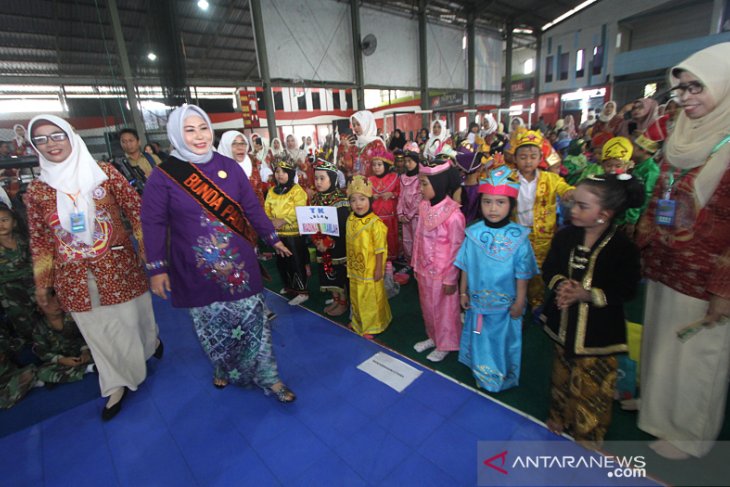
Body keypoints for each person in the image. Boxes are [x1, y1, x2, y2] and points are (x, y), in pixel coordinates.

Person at [141, 104, 295, 402]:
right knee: (213, 328)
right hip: (194, 269)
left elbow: (251, 207)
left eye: (203, 128)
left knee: (256, 324)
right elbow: (153, 222)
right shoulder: (163, 176)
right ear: (175, 134)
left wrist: (271, 237)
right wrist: (157, 268)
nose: (199, 136)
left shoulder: (230, 166)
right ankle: (222, 367)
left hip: (241, 267)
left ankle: (270, 378)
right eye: (189, 129)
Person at [25, 114, 161, 420]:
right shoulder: (37, 191)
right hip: (73, 276)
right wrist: (42, 282)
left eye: (56, 135)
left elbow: (136, 211)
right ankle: (116, 382)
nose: (51, 144)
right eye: (42, 139)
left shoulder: (104, 173)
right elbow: (40, 240)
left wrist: (147, 251)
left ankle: (151, 340)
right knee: (97, 331)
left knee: (132, 320)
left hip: (117, 266)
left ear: (71, 136)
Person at [635, 43, 730, 460]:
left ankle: (690, 433)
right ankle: (656, 410)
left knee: (697, 355)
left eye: (698, 87)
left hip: (706, 275)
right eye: (682, 89)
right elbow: (663, 192)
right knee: (660, 340)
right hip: (665, 261)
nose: (687, 97)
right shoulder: (682, 133)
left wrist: (724, 288)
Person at [542, 174, 644, 445]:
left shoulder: (622, 248)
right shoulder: (565, 237)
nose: (573, 210)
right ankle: (559, 414)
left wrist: (587, 294)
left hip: (599, 330)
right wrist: (562, 285)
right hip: (565, 321)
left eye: (582, 206)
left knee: (593, 385)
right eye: (574, 203)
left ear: (604, 214)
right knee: (562, 372)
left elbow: (627, 288)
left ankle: (589, 432)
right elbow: (549, 268)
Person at [457, 166, 538, 391]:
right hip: (477, 304)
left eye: (500, 202)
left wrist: (520, 301)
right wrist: (463, 291)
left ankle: (499, 373)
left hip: (505, 306)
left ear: (511, 205)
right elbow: (465, 265)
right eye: (487, 202)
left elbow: (522, 273)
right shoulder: (473, 233)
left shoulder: (519, 237)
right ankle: (480, 369)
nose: (493, 208)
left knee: (501, 340)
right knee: (479, 334)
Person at [411, 152, 465, 362]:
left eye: (424, 184)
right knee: (427, 305)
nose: (420, 188)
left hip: (443, 274)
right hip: (424, 269)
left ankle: (446, 342)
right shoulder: (424, 206)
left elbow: (456, 249)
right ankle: (433, 336)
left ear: (439, 183)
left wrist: (451, 278)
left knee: (444, 310)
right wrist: (415, 264)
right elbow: (417, 238)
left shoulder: (454, 215)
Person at [513, 130, 574, 311]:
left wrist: (571, 193)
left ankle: (536, 302)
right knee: (516, 267)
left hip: (541, 234)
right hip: (515, 231)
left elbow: (565, 188)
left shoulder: (551, 179)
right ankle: (518, 300)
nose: (528, 161)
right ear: (515, 158)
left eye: (533, 156)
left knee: (538, 270)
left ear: (540, 157)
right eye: (523, 157)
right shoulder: (508, 178)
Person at [346, 175, 391, 338]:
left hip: (371, 269)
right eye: (353, 200)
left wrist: (379, 268)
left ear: (370, 200)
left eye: (362, 199)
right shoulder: (350, 219)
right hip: (355, 267)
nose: (358, 204)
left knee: (370, 298)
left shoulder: (375, 224)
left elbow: (380, 249)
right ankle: (358, 322)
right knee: (356, 296)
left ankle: (373, 325)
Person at [264, 157, 310, 306]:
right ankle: (290, 287)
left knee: (295, 262)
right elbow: (267, 209)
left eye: (284, 172)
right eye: (277, 171)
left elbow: (300, 210)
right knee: (282, 262)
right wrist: (271, 221)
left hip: (293, 233)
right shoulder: (272, 191)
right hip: (278, 234)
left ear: (290, 173)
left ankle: (302, 292)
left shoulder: (297, 191)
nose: (280, 175)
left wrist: (282, 221)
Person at [311, 158, 349, 316]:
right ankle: (335, 299)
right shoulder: (316, 198)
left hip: (337, 246)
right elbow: (311, 221)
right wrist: (317, 240)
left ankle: (343, 301)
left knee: (338, 273)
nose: (318, 182)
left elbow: (342, 227)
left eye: (322, 178)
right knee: (326, 272)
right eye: (316, 178)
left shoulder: (340, 200)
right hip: (321, 244)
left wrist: (328, 242)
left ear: (332, 179)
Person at [368, 145, 399, 261]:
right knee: (377, 238)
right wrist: (371, 197)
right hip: (375, 216)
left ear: (386, 165)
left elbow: (400, 192)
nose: (376, 168)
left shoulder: (394, 177)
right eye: (374, 165)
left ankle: (391, 259)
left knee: (390, 236)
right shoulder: (369, 180)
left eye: (379, 165)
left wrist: (391, 194)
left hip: (390, 215)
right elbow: (364, 196)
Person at [216, 131, 265, 206]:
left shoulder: (253, 163)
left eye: (243, 143)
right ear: (226, 146)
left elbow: (259, 194)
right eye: (234, 143)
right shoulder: (217, 169)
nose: (240, 147)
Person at [396, 142, 422, 266]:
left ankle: (417, 264)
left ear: (417, 161)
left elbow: (419, 198)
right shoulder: (402, 177)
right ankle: (409, 262)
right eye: (405, 161)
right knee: (407, 241)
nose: (407, 164)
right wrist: (400, 213)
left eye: (410, 161)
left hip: (416, 216)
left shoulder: (420, 177)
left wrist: (409, 215)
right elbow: (401, 196)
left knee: (417, 240)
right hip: (405, 216)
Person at [349, 110, 387, 177]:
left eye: (358, 124)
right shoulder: (355, 144)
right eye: (353, 125)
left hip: (373, 183)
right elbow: (350, 165)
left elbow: (382, 167)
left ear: (367, 124)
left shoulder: (376, 143)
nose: (355, 128)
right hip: (357, 183)